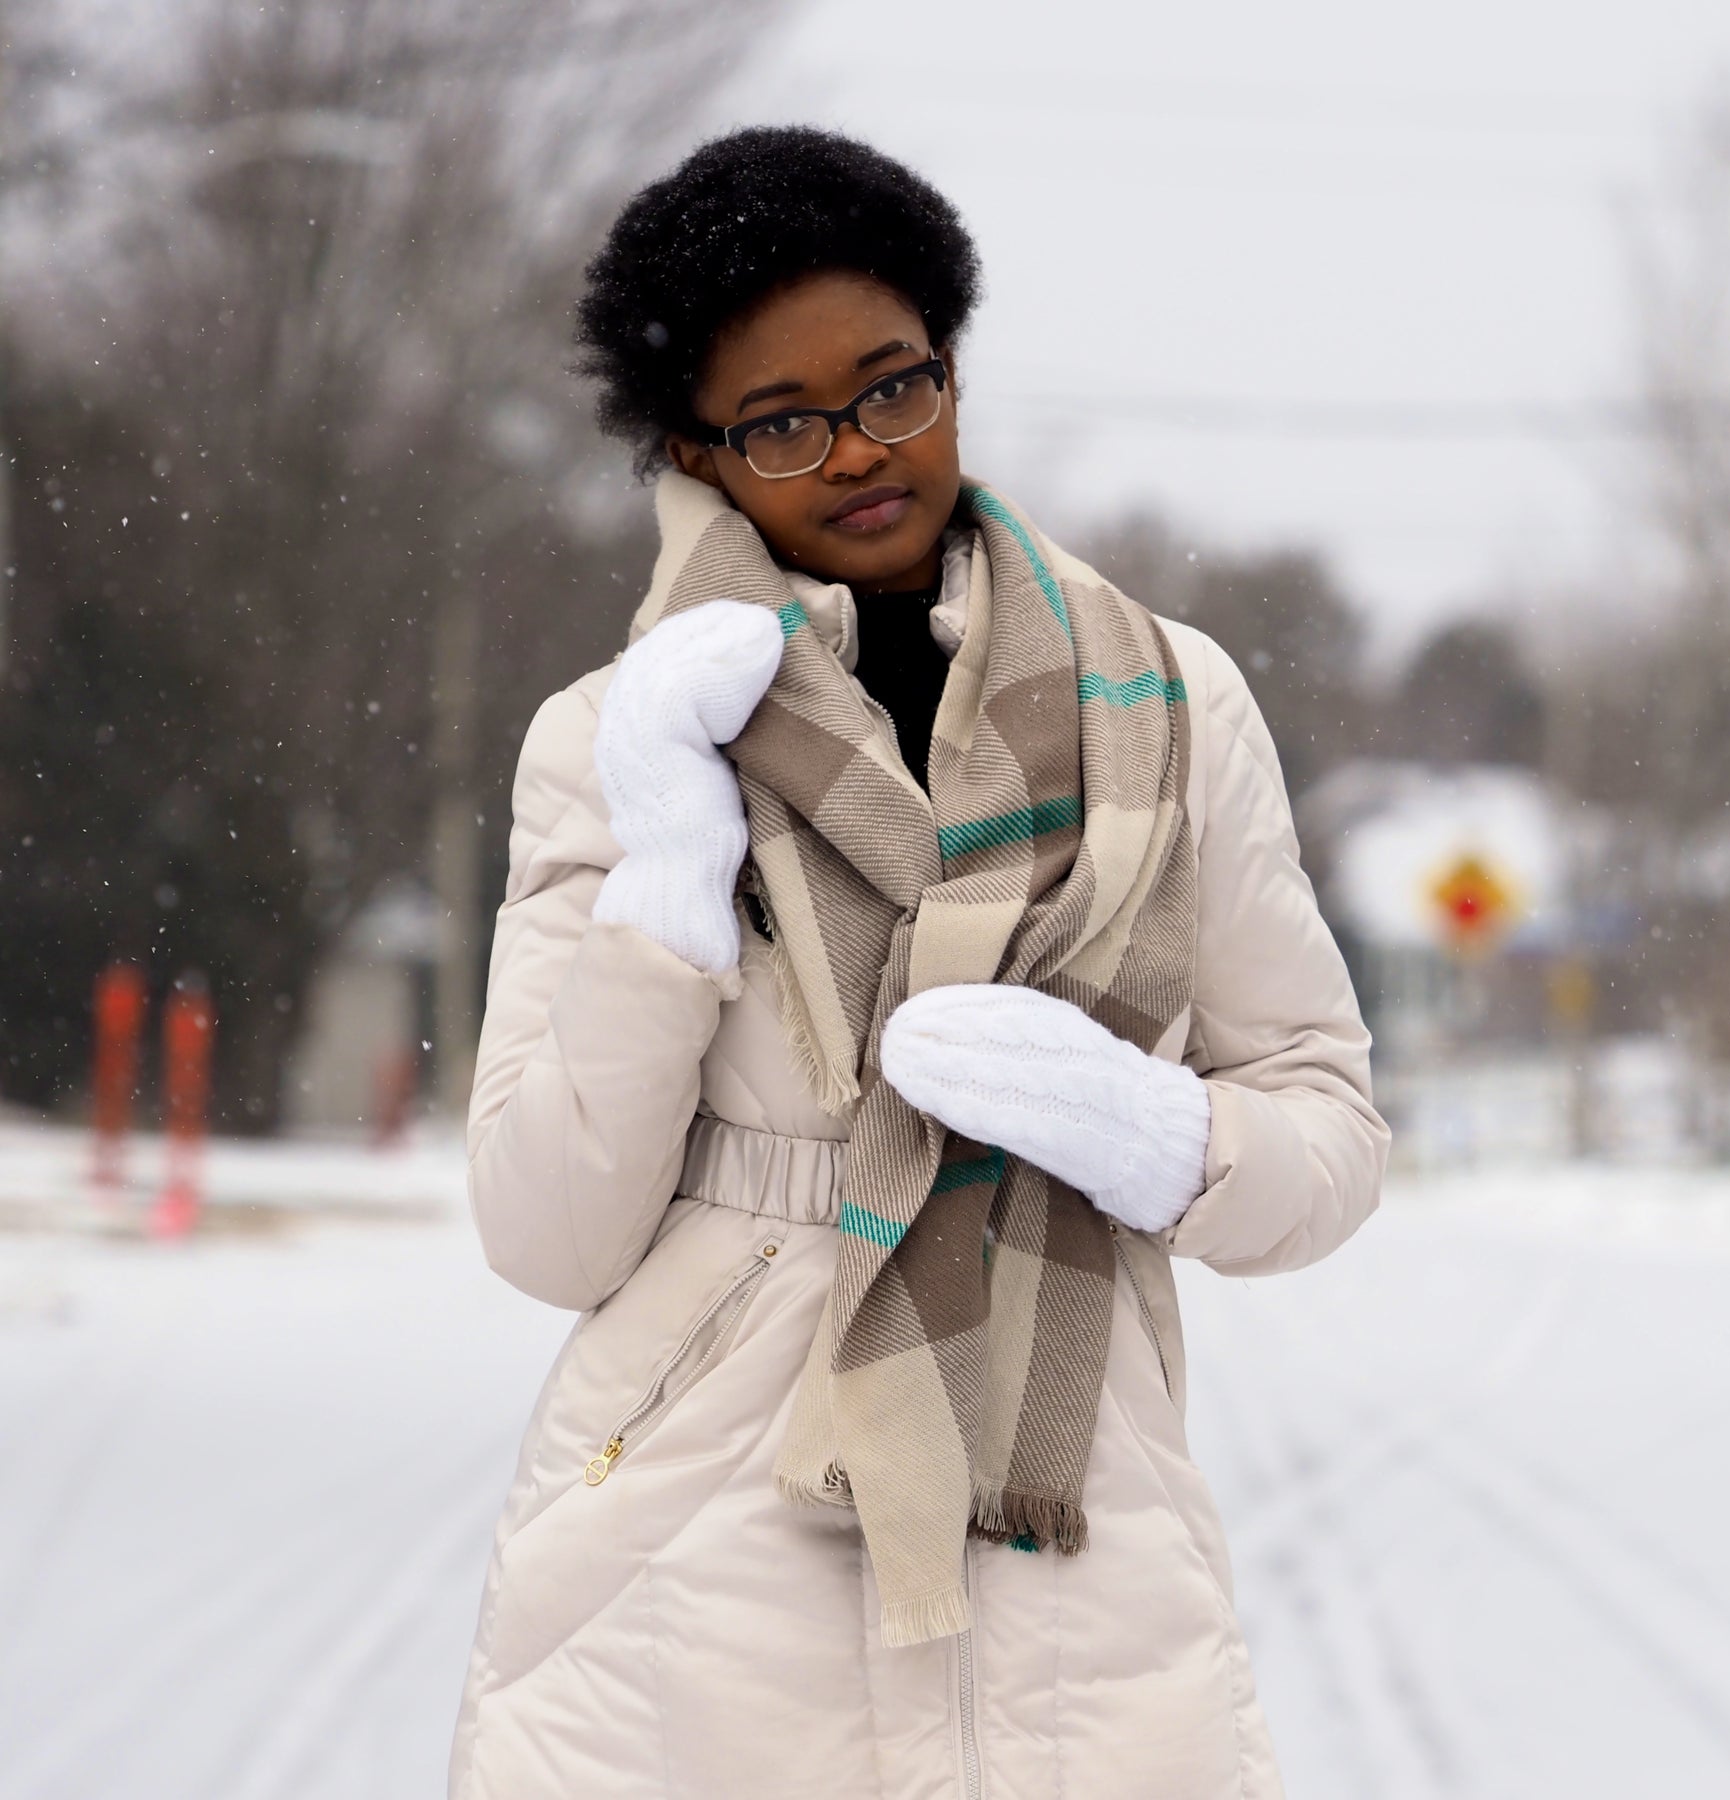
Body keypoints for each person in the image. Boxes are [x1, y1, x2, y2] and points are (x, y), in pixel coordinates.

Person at [449, 124, 1389, 1800]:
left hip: (1081, 1536)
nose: (862, 450)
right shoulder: (620, 737)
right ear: (694, 449)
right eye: (785, 422)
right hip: (696, 1561)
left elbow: (1325, 1128)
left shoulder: (1169, 704)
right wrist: (669, 876)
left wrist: (1168, 1142)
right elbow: (546, 1222)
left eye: (897, 386)